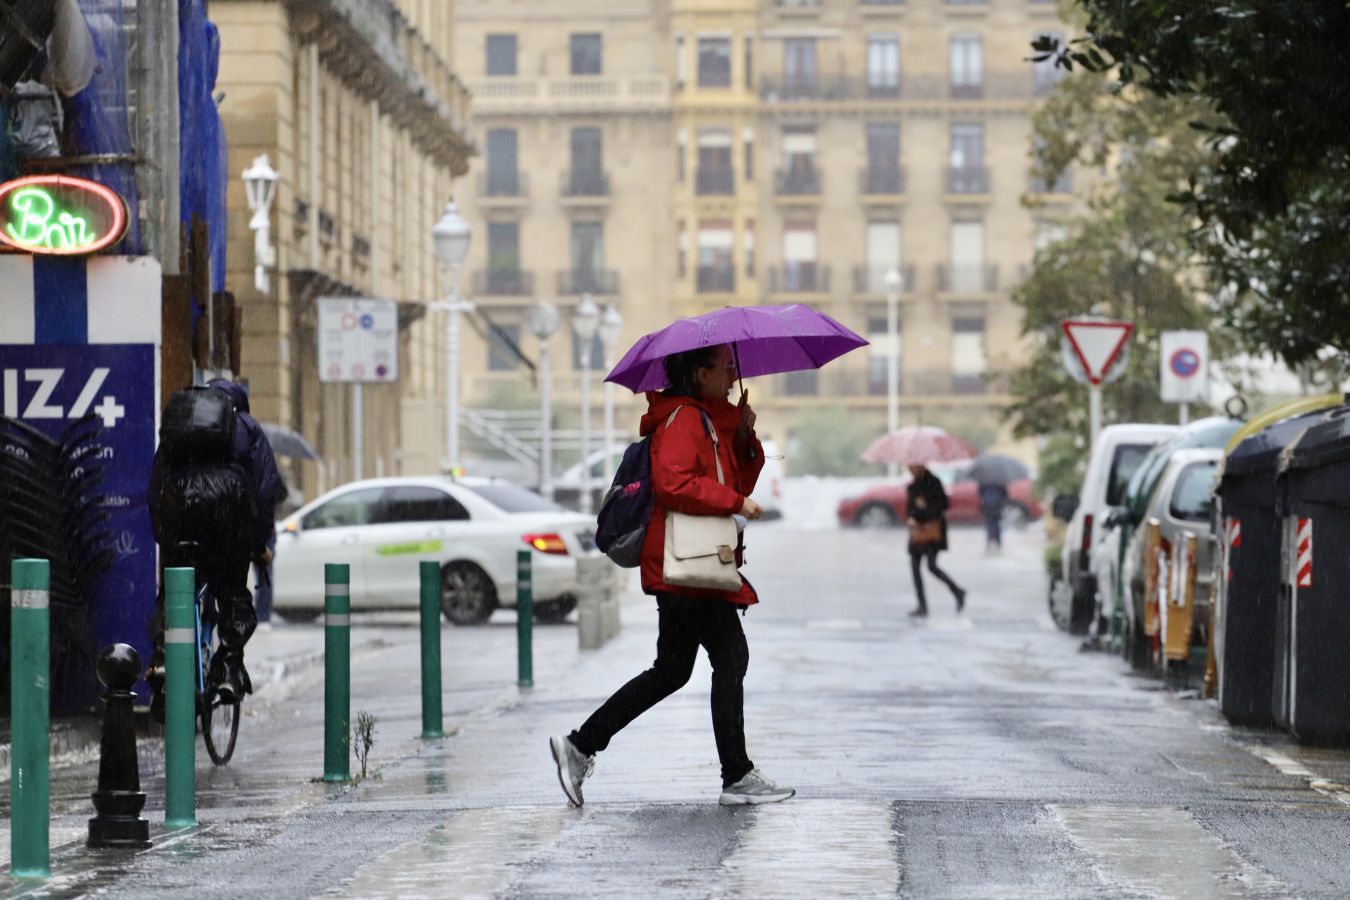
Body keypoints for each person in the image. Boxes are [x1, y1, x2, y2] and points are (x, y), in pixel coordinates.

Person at [550, 343, 795, 807]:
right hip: (684, 565)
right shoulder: (683, 418)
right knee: (730, 655)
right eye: (724, 368)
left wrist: (746, 439)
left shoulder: (706, 419)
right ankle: (736, 776)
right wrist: (734, 504)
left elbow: (736, 481)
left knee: (672, 670)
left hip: (688, 566)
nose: (731, 374)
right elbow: (674, 482)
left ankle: (580, 746)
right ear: (700, 374)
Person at [147, 379, 286, 712]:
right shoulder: (248, 427)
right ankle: (227, 667)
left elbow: (156, 484)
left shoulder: (180, 423)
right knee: (233, 595)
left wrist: (164, 533)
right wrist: (259, 544)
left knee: (176, 593)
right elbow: (265, 489)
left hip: (180, 510)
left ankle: (165, 657)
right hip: (226, 513)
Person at [905, 462, 967, 618]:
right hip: (917, 532)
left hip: (932, 532)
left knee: (932, 566)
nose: (910, 469)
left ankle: (957, 590)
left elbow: (943, 505)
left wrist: (925, 507)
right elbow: (909, 509)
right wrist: (911, 517)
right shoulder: (912, 487)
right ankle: (922, 605)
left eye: (912, 466)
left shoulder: (934, 482)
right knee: (915, 567)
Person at [978, 481, 1009, 554]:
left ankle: (990, 540)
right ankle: (998, 541)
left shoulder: (984, 481)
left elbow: (980, 491)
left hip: (987, 504)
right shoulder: (1000, 481)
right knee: (997, 523)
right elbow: (1005, 493)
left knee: (989, 523)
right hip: (997, 505)